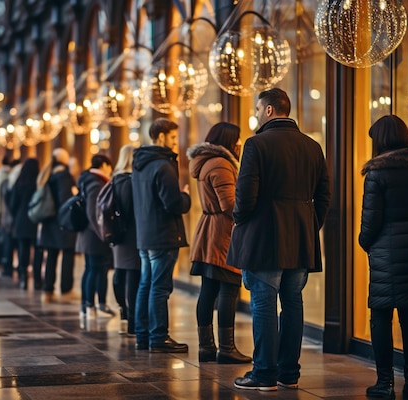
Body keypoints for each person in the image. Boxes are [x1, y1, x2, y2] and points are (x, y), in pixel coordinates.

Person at [228, 88, 330, 391]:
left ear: (270, 110)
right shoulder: (312, 146)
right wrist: (309, 224)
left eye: (259, 109)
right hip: (300, 239)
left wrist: (240, 220)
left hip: (263, 238)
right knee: (293, 304)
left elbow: (245, 195)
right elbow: (324, 194)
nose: (257, 114)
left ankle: (263, 373)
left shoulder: (256, 144)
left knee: (263, 304)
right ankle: (289, 373)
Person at [358, 115, 408, 399]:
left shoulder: (377, 174)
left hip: (387, 254)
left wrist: (365, 243)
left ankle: (385, 382)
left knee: (380, 316)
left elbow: (370, 222)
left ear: (382, 140)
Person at [186, 122, 252, 364]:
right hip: (222, 234)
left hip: (208, 231)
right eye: (237, 139)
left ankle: (206, 347)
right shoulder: (221, 164)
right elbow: (230, 204)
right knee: (229, 289)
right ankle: (226, 348)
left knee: (209, 289)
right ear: (227, 140)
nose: (239, 144)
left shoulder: (207, 162)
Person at [132, 118, 191, 353]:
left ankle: (142, 333)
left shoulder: (140, 164)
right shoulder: (164, 166)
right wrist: (184, 196)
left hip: (145, 235)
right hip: (163, 235)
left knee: (146, 284)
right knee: (159, 287)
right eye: (174, 139)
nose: (176, 144)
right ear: (161, 137)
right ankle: (158, 337)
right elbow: (172, 204)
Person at [76, 154, 116, 319]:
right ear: (104, 165)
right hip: (94, 235)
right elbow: (94, 213)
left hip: (89, 234)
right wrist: (103, 234)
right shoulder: (96, 182)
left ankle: (91, 305)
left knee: (93, 269)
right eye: (109, 166)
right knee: (94, 269)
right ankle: (90, 306)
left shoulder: (88, 179)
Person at [38, 148, 78, 301]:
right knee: (68, 254)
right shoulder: (64, 176)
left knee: (51, 256)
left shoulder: (47, 175)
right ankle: (66, 290)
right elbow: (66, 200)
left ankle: (47, 291)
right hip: (62, 222)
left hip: (49, 221)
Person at [110, 144, 141, 335]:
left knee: (120, 273)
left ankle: (124, 311)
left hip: (117, 233)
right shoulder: (130, 181)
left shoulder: (115, 179)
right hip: (130, 234)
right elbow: (131, 210)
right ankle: (132, 321)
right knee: (133, 276)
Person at [9, 158, 39, 289]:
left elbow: (12, 202)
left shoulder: (19, 182)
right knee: (38, 250)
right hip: (36, 219)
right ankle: (37, 279)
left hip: (21, 220)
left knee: (23, 249)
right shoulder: (39, 182)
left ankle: (23, 277)